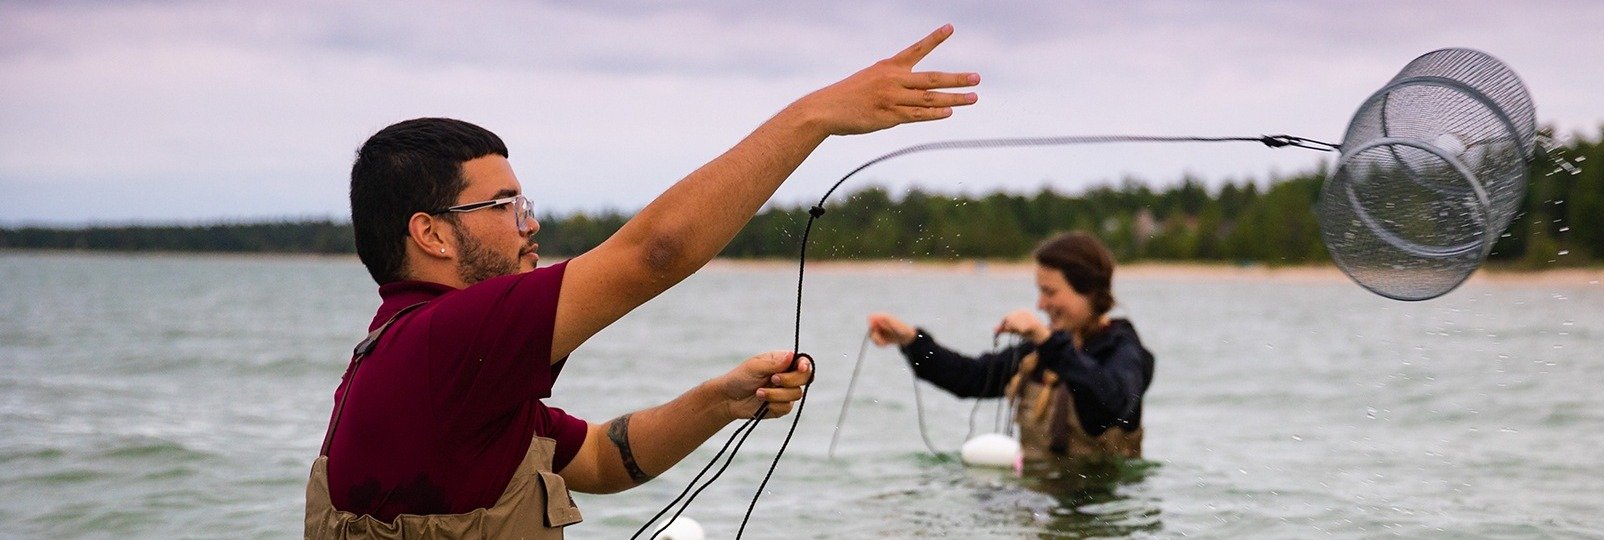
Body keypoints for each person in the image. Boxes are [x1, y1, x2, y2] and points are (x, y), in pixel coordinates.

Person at [306, 25, 980, 538]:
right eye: (504, 207)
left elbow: (599, 459)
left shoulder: (431, 360)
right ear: (430, 233)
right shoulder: (443, 344)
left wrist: (720, 400)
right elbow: (656, 253)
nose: (528, 226)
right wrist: (814, 117)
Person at [867, 232, 1154, 463]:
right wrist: (911, 341)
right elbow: (971, 377)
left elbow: (1109, 403)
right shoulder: (1040, 352)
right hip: (1035, 500)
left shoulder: (1125, 352)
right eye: (1039, 291)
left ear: (1089, 291)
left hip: (1102, 511)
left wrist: (1046, 340)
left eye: (1050, 292)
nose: (1040, 304)